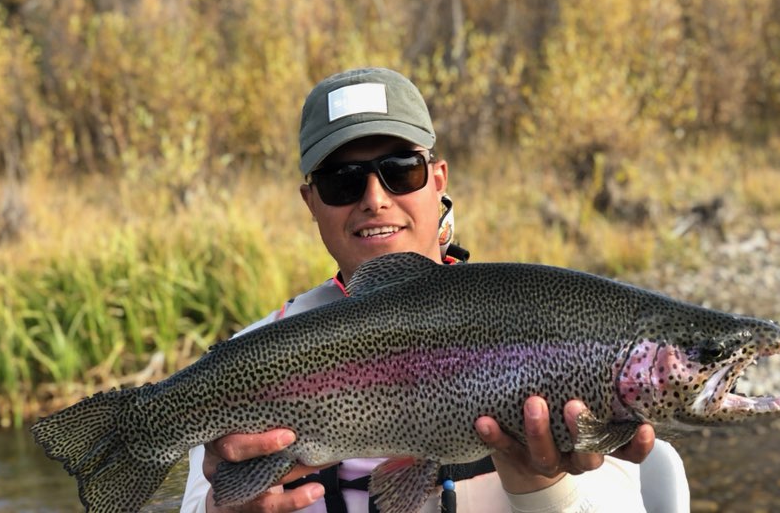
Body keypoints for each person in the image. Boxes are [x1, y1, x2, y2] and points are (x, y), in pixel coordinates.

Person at [181, 67, 690, 513]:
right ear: (310, 202)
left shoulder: (551, 330)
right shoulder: (241, 367)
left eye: (401, 171)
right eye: (342, 182)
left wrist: (545, 487)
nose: (375, 199)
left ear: (438, 179)